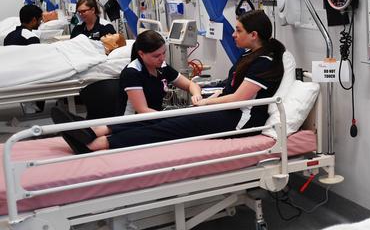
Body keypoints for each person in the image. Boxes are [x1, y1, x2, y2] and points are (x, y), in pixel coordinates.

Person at [57, 10, 285, 154]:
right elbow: (231, 89)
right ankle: (90, 131)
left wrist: (205, 103)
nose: (233, 35)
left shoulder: (264, 62)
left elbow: (239, 98)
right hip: (228, 111)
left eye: (238, 30)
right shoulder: (249, 57)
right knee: (165, 118)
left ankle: (98, 144)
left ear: (254, 35)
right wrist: (210, 97)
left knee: (169, 126)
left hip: (240, 121)